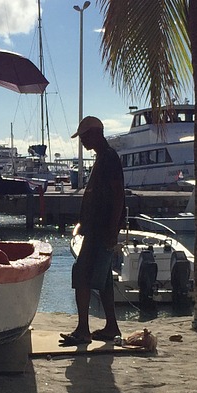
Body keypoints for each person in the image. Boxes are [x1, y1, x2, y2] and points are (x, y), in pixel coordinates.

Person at [61, 115, 125, 345]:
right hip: (97, 227)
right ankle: (111, 326)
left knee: (82, 275)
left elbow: (119, 196)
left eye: (85, 137)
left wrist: (111, 229)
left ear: (96, 133)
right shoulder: (104, 157)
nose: (83, 142)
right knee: (105, 279)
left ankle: (83, 329)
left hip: (101, 228)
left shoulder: (108, 158)